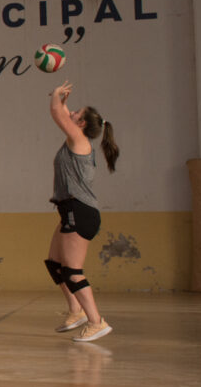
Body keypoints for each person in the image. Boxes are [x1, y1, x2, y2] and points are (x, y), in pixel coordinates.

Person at [44, 81, 119, 342]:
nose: (71, 113)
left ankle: (96, 321)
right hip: (69, 210)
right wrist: (63, 102)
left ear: (82, 124)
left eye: (76, 113)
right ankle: (76, 310)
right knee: (55, 265)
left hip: (80, 210)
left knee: (73, 271)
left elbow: (57, 115)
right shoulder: (76, 139)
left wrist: (56, 97)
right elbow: (62, 114)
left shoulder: (79, 139)